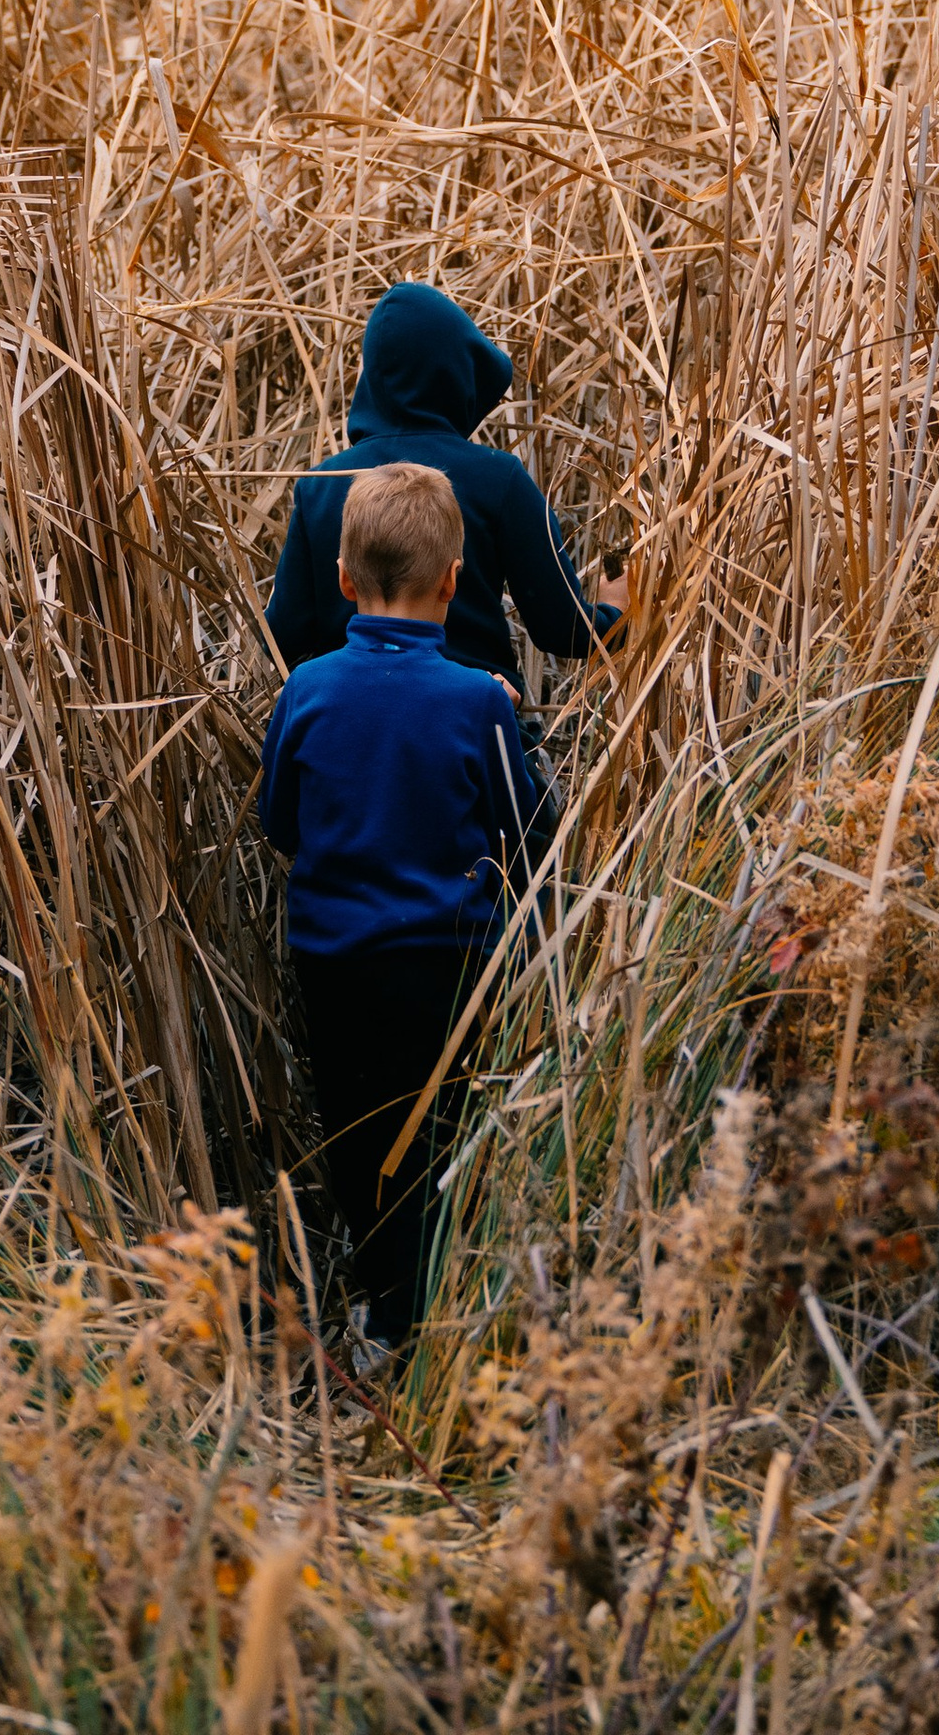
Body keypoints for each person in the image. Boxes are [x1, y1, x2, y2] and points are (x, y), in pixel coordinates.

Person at [258, 459, 547, 1353]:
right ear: (456, 584)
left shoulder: (305, 688)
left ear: (342, 580)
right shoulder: (475, 701)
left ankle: (386, 1311)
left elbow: (279, 824)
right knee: (445, 1126)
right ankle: (444, 1315)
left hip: (335, 959)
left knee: (357, 1128)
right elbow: (529, 832)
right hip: (449, 962)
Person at [266, 281, 625, 690]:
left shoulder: (323, 485)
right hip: (475, 722)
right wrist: (617, 612)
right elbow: (565, 631)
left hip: (349, 726)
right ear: (460, 374)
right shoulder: (501, 479)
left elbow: (281, 638)